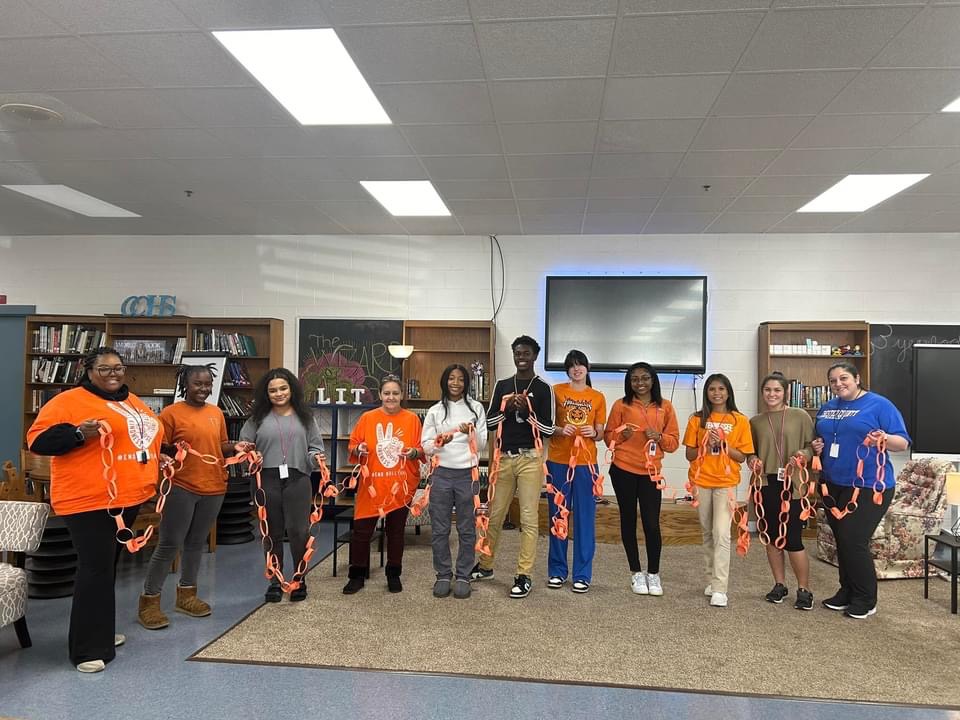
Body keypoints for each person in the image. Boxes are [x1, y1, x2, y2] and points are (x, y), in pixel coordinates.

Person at [26, 347, 164, 673]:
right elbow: (38, 441)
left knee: (107, 567)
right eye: (104, 369)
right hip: (89, 502)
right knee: (95, 569)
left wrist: (168, 452)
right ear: (89, 371)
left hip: (126, 500)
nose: (113, 374)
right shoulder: (68, 401)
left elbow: (144, 438)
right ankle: (87, 649)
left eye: (118, 367)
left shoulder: (131, 401)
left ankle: (99, 632)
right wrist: (76, 434)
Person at [138, 364, 241, 630]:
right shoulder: (171, 414)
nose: (203, 389)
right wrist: (172, 450)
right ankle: (149, 601)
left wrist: (237, 446)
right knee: (170, 544)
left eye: (207, 384)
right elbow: (160, 448)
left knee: (196, 543)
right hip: (182, 487)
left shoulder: (216, 413)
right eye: (197, 384)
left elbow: (218, 446)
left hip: (214, 487)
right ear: (186, 384)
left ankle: (187, 595)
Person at [812, 361, 909, 619]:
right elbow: (820, 437)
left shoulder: (879, 405)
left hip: (869, 485)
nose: (838, 384)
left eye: (844, 378)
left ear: (857, 379)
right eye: (833, 380)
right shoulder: (827, 407)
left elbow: (902, 442)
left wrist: (883, 439)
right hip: (833, 483)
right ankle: (847, 591)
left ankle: (866, 598)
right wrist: (817, 445)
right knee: (842, 539)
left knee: (853, 540)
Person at [470, 335, 555, 599]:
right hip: (504, 458)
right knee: (494, 515)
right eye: (518, 353)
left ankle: (524, 575)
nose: (522, 357)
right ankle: (486, 566)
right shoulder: (502, 384)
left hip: (530, 458)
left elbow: (550, 428)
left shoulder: (543, 388)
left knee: (528, 519)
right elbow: (490, 421)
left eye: (526, 353)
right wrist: (508, 409)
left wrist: (528, 412)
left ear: (535, 356)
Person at [239, 368, 324, 603]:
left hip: (298, 478)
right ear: (266, 394)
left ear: (292, 390)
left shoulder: (306, 418)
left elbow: (316, 447)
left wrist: (315, 458)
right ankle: (275, 580)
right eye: (273, 390)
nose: (279, 394)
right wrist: (248, 452)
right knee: (271, 533)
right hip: (266, 480)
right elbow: (244, 444)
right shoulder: (256, 419)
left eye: (283, 388)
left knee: (298, 531)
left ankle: (299, 578)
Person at [603, 362, 680, 596]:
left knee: (651, 522)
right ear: (629, 382)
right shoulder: (621, 405)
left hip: (650, 472)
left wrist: (660, 437)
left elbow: (674, 442)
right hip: (623, 469)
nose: (640, 383)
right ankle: (636, 573)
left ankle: (653, 574)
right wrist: (621, 436)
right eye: (635, 379)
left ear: (653, 380)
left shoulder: (665, 406)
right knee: (628, 520)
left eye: (645, 378)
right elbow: (608, 438)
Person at [342, 375, 424, 595]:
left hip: (399, 485)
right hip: (372, 485)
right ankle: (357, 574)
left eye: (395, 393)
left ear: (402, 396)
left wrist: (414, 452)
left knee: (395, 532)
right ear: (380, 395)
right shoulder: (367, 418)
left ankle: (393, 573)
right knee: (361, 532)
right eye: (387, 393)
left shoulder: (412, 420)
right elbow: (353, 444)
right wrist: (359, 449)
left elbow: (421, 449)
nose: (391, 397)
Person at [683, 373, 754, 608]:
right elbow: (689, 455)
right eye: (712, 389)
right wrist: (705, 443)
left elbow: (742, 457)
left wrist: (724, 444)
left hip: (726, 482)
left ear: (728, 392)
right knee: (707, 532)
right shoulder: (697, 419)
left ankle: (720, 588)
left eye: (721, 389)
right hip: (702, 481)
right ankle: (711, 580)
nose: (717, 393)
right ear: (707, 393)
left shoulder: (739, 420)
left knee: (722, 532)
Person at [747, 372, 815, 610]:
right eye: (768, 390)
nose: (772, 394)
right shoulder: (755, 421)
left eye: (777, 390)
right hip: (766, 484)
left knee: (793, 539)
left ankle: (804, 589)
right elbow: (750, 452)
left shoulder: (800, 416)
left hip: (793, 484)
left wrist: (802, 456)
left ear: (785, 392)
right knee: (772, 537)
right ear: (762, 392)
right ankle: (779, 584)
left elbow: (811, 447)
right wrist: (753, 460)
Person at [421, 364, 488, 600]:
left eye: (460, 379)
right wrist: (442, 441)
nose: (456, 383)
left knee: (467, 528)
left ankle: (463, 575)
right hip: (441, 474)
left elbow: (481, 445)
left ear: (466, 383)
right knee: (439, 528)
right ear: (445, 381)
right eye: (451, 378)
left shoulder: (476, 408)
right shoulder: (435, 411)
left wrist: (470, 432)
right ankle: (442, 574)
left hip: (467, 475)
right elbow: (427, 446)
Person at [545, 350, 606, 593]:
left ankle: (582, 574)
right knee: (558, 516)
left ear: (587, 368)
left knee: (584, 519)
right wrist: (561, 430)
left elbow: (601, 432)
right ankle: (557, 571)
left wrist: (595, 433)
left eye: (580, 365)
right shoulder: (556, 391)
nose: (577, 369)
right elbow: (547, 425)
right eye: (572, 366)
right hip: (559, 461)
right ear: (567, 370)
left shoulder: (598, 397)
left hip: (586, 464)